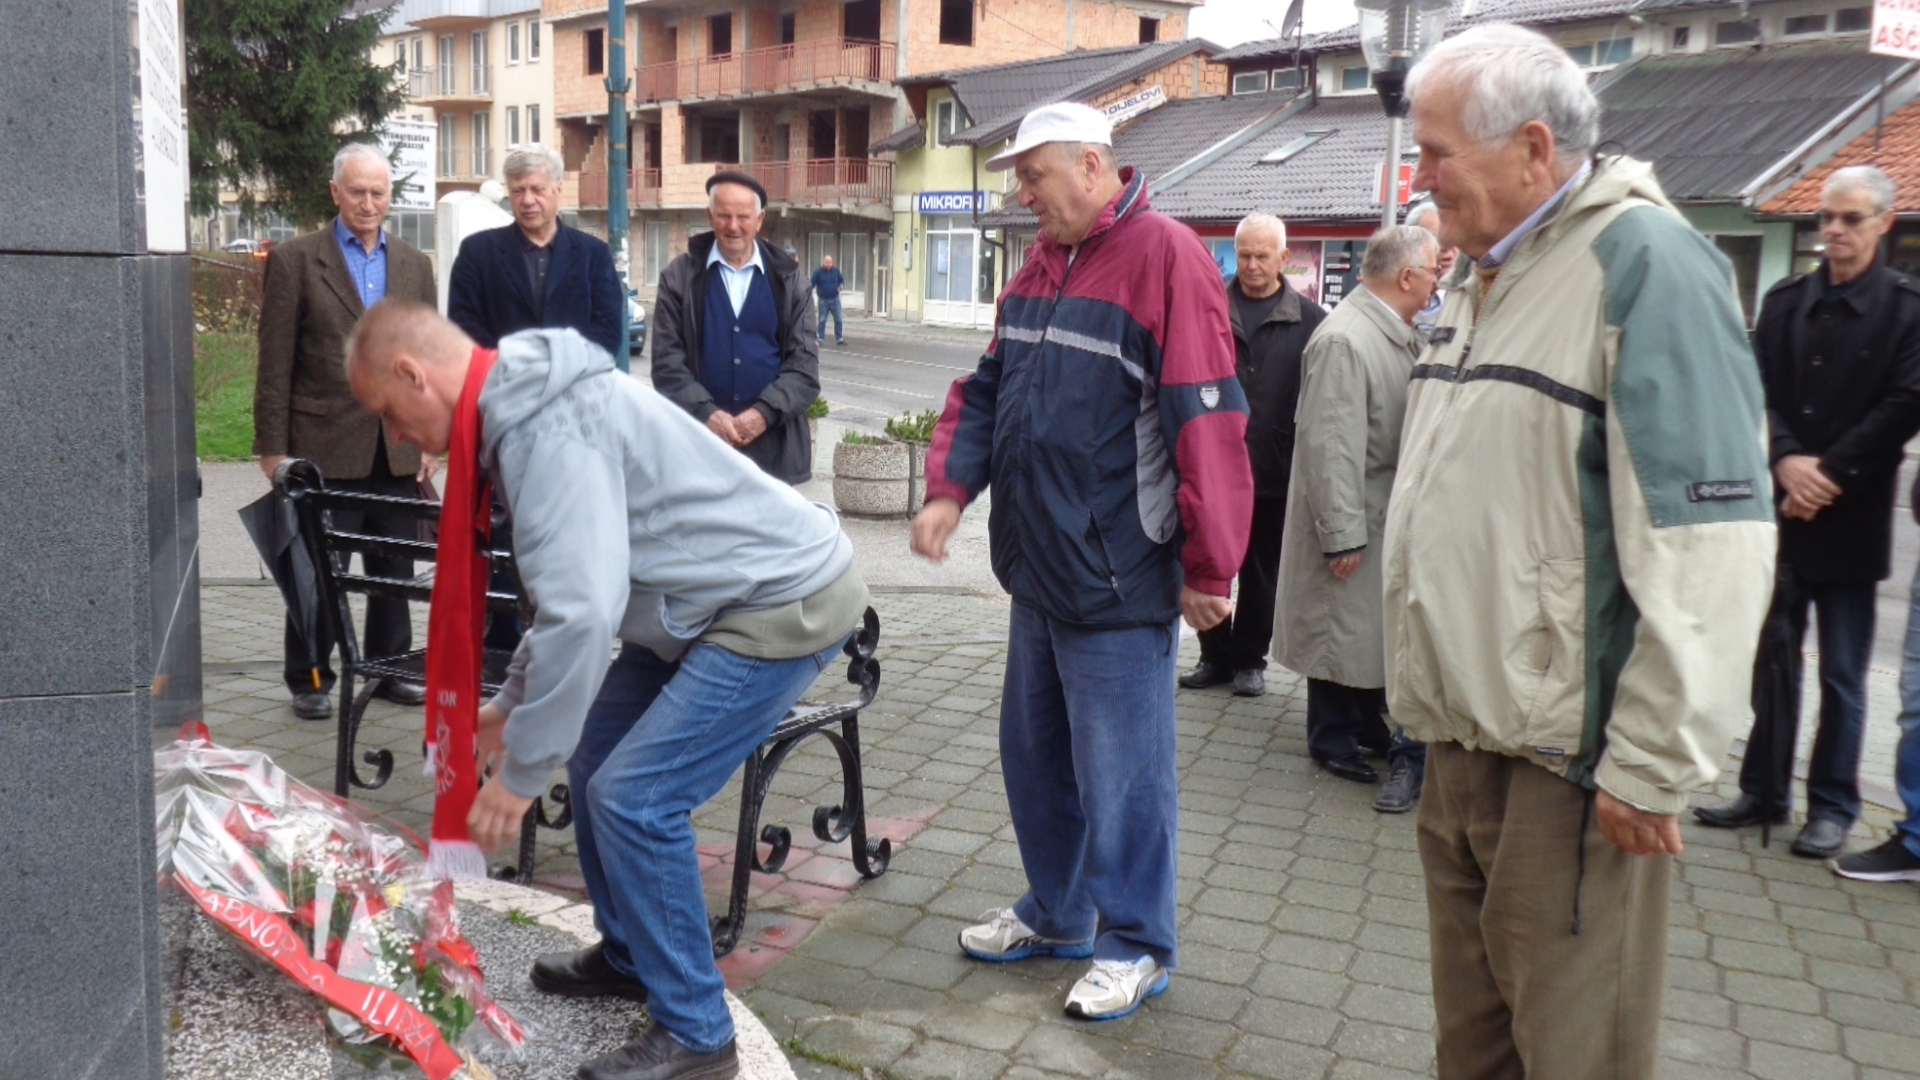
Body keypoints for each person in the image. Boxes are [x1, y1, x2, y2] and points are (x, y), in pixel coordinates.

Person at [1385, 25, 1775, 1079]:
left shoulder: (1646, 264)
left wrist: (1651, 764)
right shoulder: (1482, 275)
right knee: (1474, 1052)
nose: (1419, 177)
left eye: (1436, 152)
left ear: (1531, 147)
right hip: (1462, 742)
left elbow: (1711, 543)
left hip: (1572, 770)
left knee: (1573, 1055)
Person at [344, 300, 868, 1080]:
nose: (396, 435)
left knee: (635, 799)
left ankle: (698, 1033)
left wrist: (523, 774)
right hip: (703, 602)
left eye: (388, 411)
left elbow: (583, 616)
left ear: (414, 375)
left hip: (779, 601)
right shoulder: (524, 405)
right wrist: (511, 705)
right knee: (596, 758)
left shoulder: (540, 427)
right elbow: (576, 591)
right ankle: (630, 954)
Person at [910, 102, 1252, 1021]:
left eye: (1034, 177)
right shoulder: (1038, 267)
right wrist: (949, 489)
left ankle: (1135, 942)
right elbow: (986, 389)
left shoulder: (1167, 256)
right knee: (1035, 758)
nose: (1023, 196)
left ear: (1092, 168)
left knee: (1123, 778)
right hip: (1039, 569)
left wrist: (1211, 567)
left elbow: (1209, 421)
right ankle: (1059, 914)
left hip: (1118, 577)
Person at [1695, 166, 1920, 857]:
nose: (1834, 230)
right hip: (1780, 513)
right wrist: (1786, 458)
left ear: (1883, 222)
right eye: (1826, 217)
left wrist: (1828, 473)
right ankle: (1763, 789)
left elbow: (1905, 404)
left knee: (1843, 675)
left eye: (1850, 218)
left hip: (1851, 516)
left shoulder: (1907, 309)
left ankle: (1833, 805)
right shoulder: (1787, 300)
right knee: (1771, 658)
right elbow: (1750, 388)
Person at [254, 142, 437, 720]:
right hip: (322, 448)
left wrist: (431, 437)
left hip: (396, 447)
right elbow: (274, 361)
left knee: (393, 568)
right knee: (316, 573)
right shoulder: (295, 260)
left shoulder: (414, 264)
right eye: (356, 191)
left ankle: (390, 670)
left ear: (390, 195)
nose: (368, 202)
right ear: (335, 192)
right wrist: (272, 450)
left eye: (378, 192)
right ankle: (311, 679)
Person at [1274, 225, 1436, 815]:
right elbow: (1330, 445)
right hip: (1352, 513)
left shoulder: (1383, 330)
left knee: (1361, 631)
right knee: (1336, 626)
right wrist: (1341, 533)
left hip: (1375, 508)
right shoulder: (1346, 338)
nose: (1437, 284)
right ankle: (1330, 737)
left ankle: (1362, 720)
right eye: (1432, 272)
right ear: (1407, 276)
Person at [1179, 213, 1325, 698]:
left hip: (1273, 467)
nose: (1252, 264)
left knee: (1261, 573)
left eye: (1262, 255)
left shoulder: (1311, 322)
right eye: (1243, 254)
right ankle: (1214, 655)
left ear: (1283, 258)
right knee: (1206, 560)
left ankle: (1248, 660)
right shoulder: (1209, 308)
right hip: (1212, 467)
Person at [651, 171, 820, 486]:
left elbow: (804, 369)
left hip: (775, 456)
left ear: (759, 220)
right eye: (724, 216)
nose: (733, 226)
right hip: (697, 451)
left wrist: (762, 415)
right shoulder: (679, 278)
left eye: (743, 217)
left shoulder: (791, 282)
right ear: (710, 216)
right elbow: (666, 365)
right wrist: (707, 415)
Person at [447, 143, 624, 356]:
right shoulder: (478, 253)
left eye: (538, 190)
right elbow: (463, 325)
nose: (527, 201)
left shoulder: (594, 255)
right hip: (502, 374)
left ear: (558, 189)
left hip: (575, 375)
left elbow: (607, 330)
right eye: (518, 191)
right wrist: (515, 366)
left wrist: (561, 366)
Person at [1405, 201, 1458, 336]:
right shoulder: (1397, 297)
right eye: (1436, 239)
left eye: (1453, 236)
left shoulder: (1476, 296)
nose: (1446, 247)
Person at [812, 254, 845, 345]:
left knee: (838, 319)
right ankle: (820, 338)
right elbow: (812, 283)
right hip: (823, 300)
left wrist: (841, 286)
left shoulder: (836, 271)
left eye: (830, 262)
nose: (828, 264)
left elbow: (841, 281)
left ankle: (839, 339)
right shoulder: (818, 272)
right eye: (827, 262)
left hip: (835, 299)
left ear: (832, 263)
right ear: (824, 262)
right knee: (822, 320)